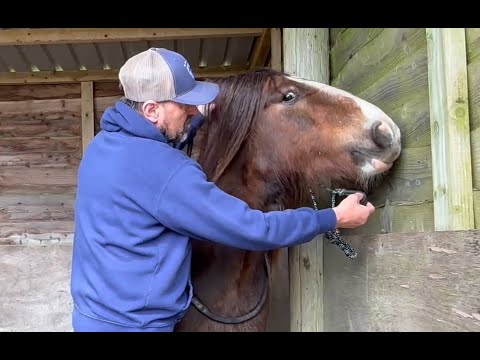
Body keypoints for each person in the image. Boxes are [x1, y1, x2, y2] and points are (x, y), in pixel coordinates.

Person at [70, 47, 375, 332]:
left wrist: (208, 114)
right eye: (184, 104)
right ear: (151, 110)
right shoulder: (164, 170)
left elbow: (165, 147)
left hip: (92, 316)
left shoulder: (102, 147)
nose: (191, 111)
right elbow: (253, 228)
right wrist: (331, 218)